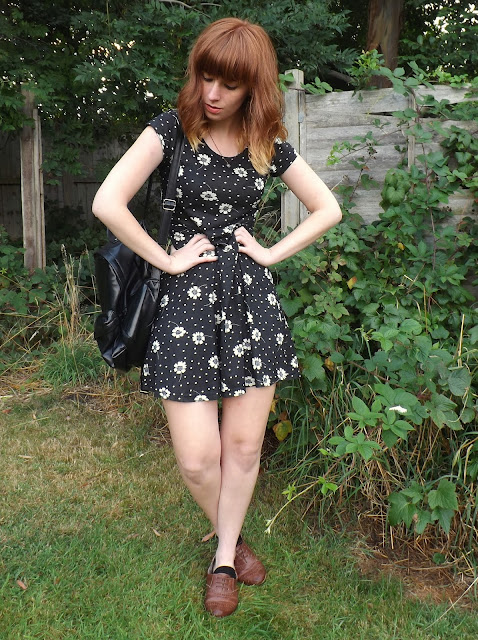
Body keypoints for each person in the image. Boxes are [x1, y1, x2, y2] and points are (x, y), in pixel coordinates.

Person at [92, 17, 342, 618]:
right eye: (206, 77)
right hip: (184, 303)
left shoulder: (267, 142)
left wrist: (270, 253)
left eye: (229, 84)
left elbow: (327, 208)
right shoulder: (171, 130)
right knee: (198, 458)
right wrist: (167, 260)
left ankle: (224, 558)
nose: (212, 93)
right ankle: (232, 534)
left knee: (245, 445)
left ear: (253, 86)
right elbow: (107, 201)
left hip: (251, 303)